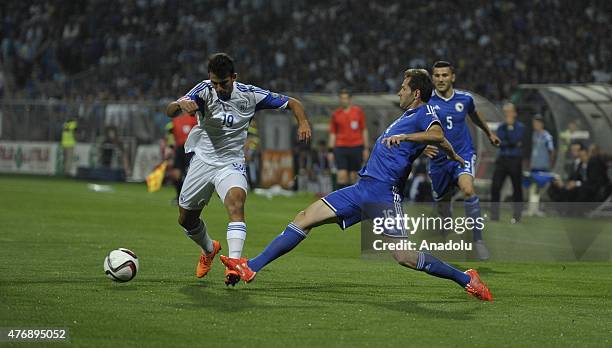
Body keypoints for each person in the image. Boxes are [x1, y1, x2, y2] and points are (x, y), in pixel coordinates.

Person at [220, 69, 493, 302]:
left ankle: (465, 278)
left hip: (384, 194)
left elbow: (437, 134)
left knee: (405, 256)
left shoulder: (424, 112)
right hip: (362, 189)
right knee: (304, 218)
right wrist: (448, 151)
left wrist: (410, 138)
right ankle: (251, 267)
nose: (399, 92)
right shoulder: (407, 116)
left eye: (403, 88)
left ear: (416, 93)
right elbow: (442, 142)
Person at [165, 53, 312, 286]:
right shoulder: (204, 90)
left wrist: (303, 122)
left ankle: (234, 266)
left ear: (234, 77)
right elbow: (170, 111)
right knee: (186, 219)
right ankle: (209, 248)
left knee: (236, 202)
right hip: (203, 161)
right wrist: (180, 104)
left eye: (223, 83)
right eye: (214, 83)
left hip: (231, 162)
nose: (218, 88)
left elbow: (294, 103)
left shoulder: (250, 94)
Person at [423, 61, 500, 260]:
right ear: (433, 78)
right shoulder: (426, 102)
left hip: (463, 155)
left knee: (467, 190)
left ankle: (478, 240)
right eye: (437, 76)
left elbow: (475, 116)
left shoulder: (465, 99)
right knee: (443, 203)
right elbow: (413, 125)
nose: (440, 79)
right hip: (439, 160)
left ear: (452, 77)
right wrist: (422, 146)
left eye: (444, 75)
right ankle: (445, 223)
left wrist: (489, 133)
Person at [490, 102, 525, 223]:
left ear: (514, 113)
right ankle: (494, 216)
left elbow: (517, 139)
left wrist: (508, 138)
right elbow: (499, 142)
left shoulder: (520, 127)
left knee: (517, 188)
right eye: (506, 112)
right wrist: (511, 141)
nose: (507, 115)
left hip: (515, 160)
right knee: (495, 187)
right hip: (502, 159)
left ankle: (517, 216)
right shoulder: (501, 127)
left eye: (509, 112)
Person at [328, 89, 369, 189]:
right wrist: (330, 150)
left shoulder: (358, 112)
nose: (343, 100)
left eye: (345, 98)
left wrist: (366, 148)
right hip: (341, 147)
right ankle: (338, 202)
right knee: (341, 176)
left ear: (350, 99)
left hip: (356, 147)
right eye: (342, 98)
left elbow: (364, 130)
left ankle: (350, 203)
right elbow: (333, 133)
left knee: (353, 177)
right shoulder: (336, 114)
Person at [525, 115, 555, 216]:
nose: (535, 125)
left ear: (541, 124)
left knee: (538, 187)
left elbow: (551, 150)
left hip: (543, 166)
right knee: (533, 187)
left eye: (537, 123)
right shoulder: (534, 134)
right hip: (535, 165)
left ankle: (534, 209)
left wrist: (550, 163)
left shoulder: (547, 136)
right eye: (534, 123)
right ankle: (533, 209)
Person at [166, 112, 198, 202]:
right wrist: (170, 148)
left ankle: (190, 198)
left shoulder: (194, 119)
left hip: (191, 150)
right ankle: (179, 197)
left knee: (190, 175)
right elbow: (170, 135)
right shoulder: (174, 121)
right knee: (176, 175)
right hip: (179, 149)